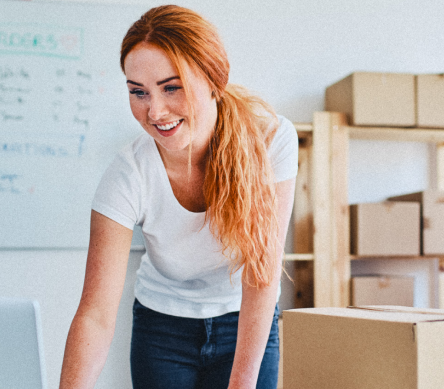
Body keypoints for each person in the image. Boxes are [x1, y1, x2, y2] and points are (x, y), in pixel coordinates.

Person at [59, 5, 298, 389]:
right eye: (138, 92)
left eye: (172, 87)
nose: (155, 111)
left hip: (245, 319)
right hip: (162, 329)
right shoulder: (129, 173)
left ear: (213, 79)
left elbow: (261, 274)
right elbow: (95, 315)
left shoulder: (270, 140)